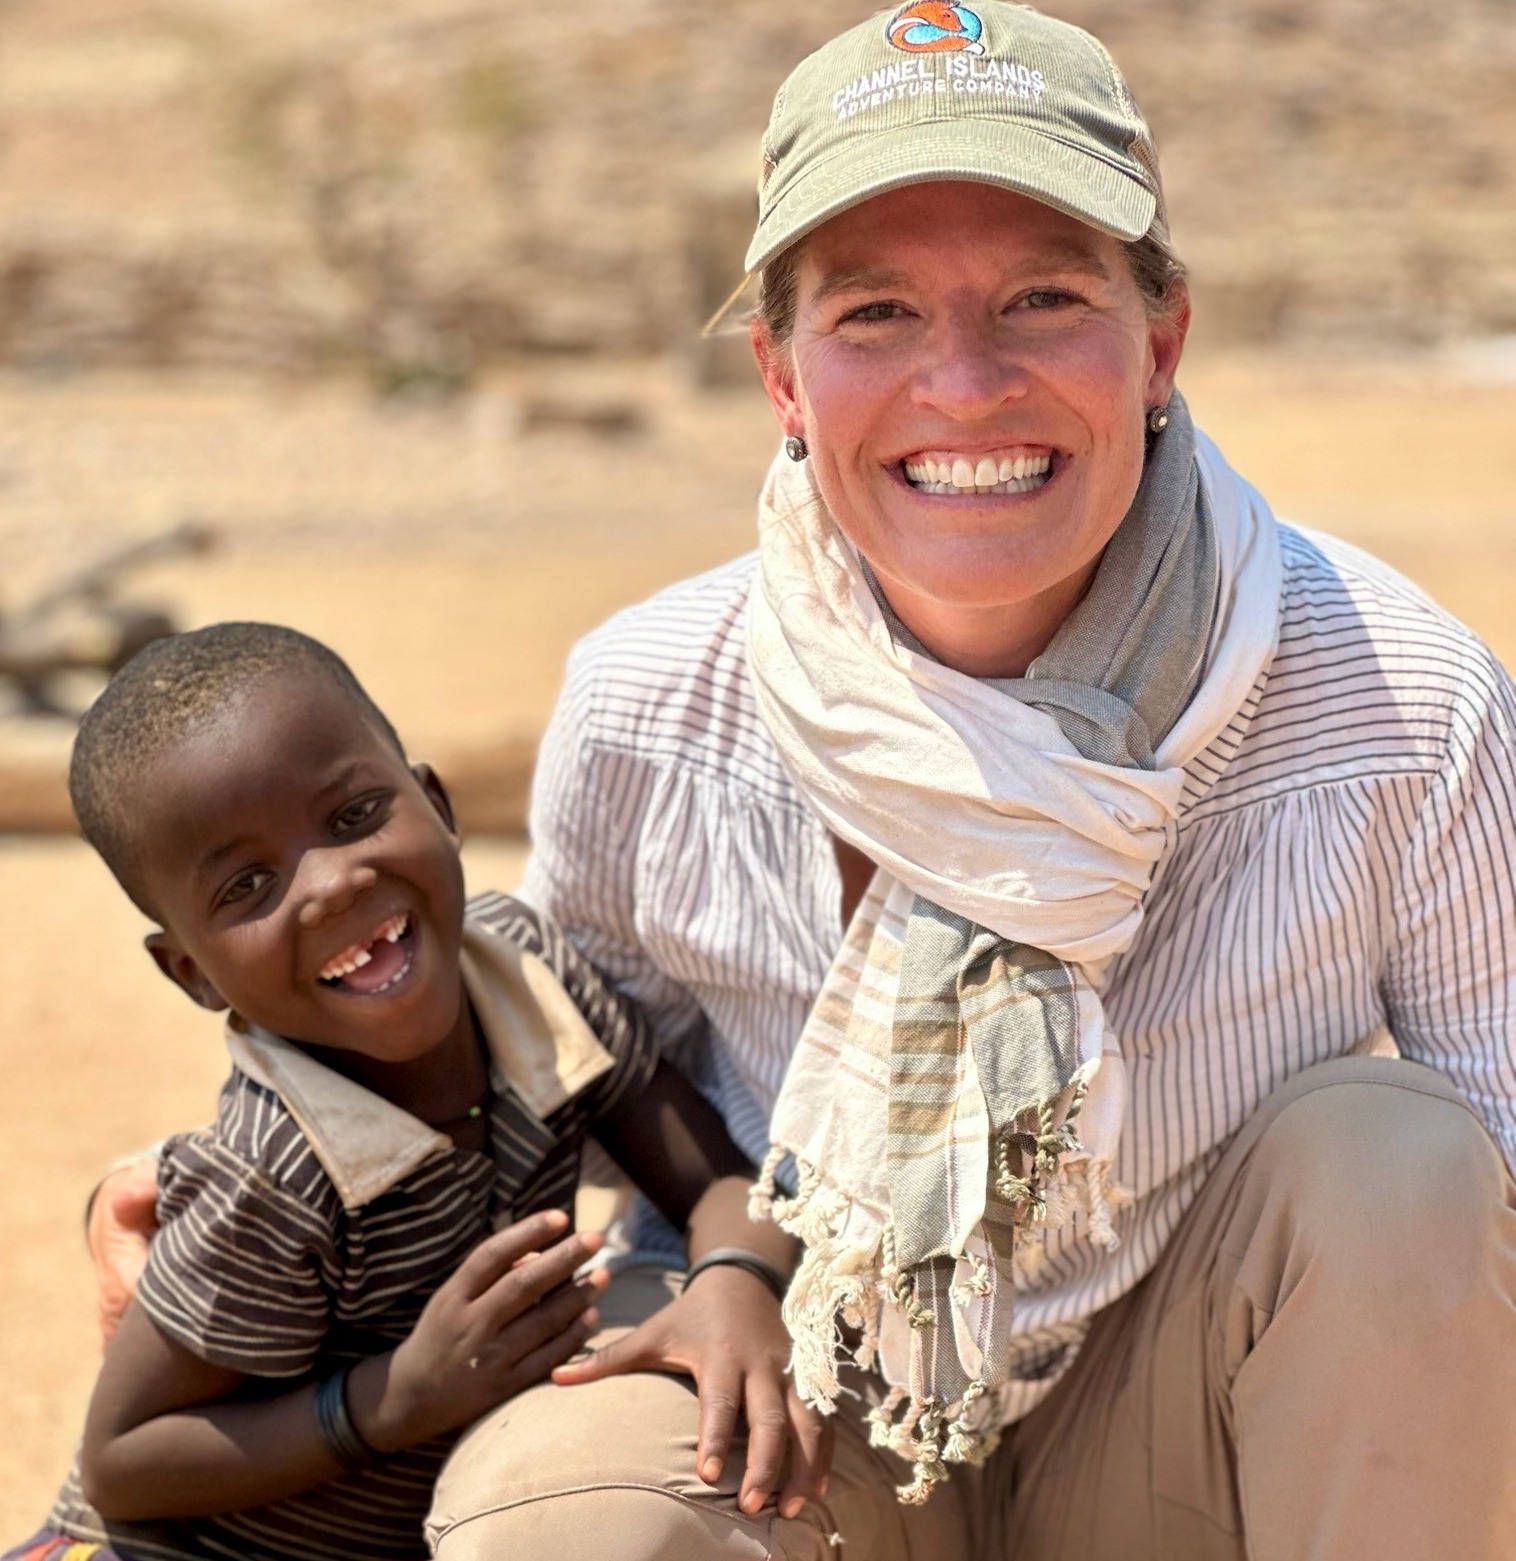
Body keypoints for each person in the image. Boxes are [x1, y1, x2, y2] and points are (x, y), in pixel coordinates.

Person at [90, 4, 1516, 1558]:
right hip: (792, 1399)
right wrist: (231, 1219)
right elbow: (530, 1071)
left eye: (1044, 299)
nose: (965, 387)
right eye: (877, 314)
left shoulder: (1397, 701)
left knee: (1401, 1164)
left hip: (1203, 1451)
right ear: (779, 373)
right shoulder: (649, 703)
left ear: (1160, 339)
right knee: (557, 1522)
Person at [12, 623, 822, 1561]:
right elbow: (123, 1459)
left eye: (354, 816)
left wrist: (736, 1279)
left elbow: (717, 1177)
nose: (328, 884)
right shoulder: (271, 1175)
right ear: (191, 971)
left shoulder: (531, 973)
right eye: (248, 885)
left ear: (436, 804)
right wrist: (401, 1396)